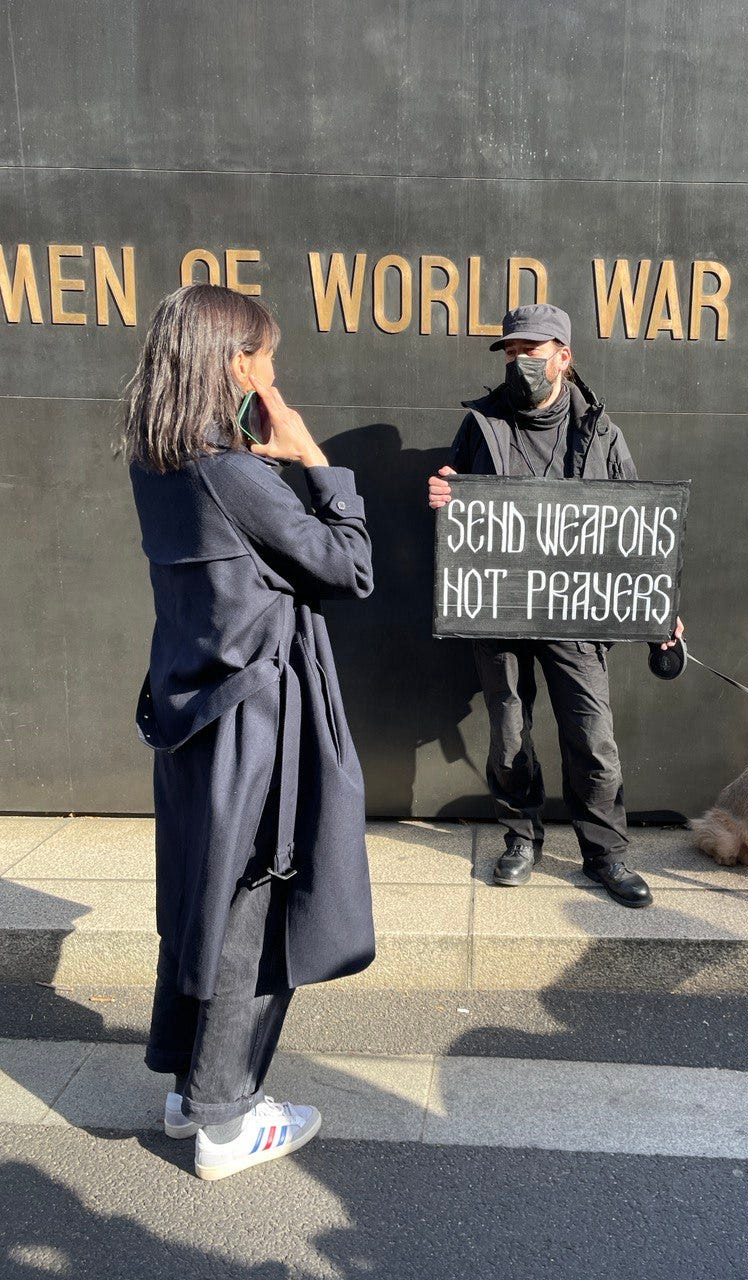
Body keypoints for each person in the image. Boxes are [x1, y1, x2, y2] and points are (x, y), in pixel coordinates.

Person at [124, 284, 375, 1180]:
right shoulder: (234, 476)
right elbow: (347, 568)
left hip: (196, 714)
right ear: (233, 362)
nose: (274, 372)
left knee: (205, 895)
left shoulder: (158, 465)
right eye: (264, 356)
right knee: (252, 905)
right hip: (260, 721)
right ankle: (228, 1119)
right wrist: (311, 456)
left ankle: (194, 1089)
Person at [428, 302, 682, 908]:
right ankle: (520, 839)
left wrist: (659, 604)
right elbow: (455, 506)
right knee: (510, 731)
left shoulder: (601, 431)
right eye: (511, 351)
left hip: (576, 610)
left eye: (532, 351)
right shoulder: (481, 425)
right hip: (500, 610)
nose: (520, 362)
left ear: (563, 357)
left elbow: (637, 530)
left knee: (593, 738)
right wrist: (442, 497)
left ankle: (605, 853)